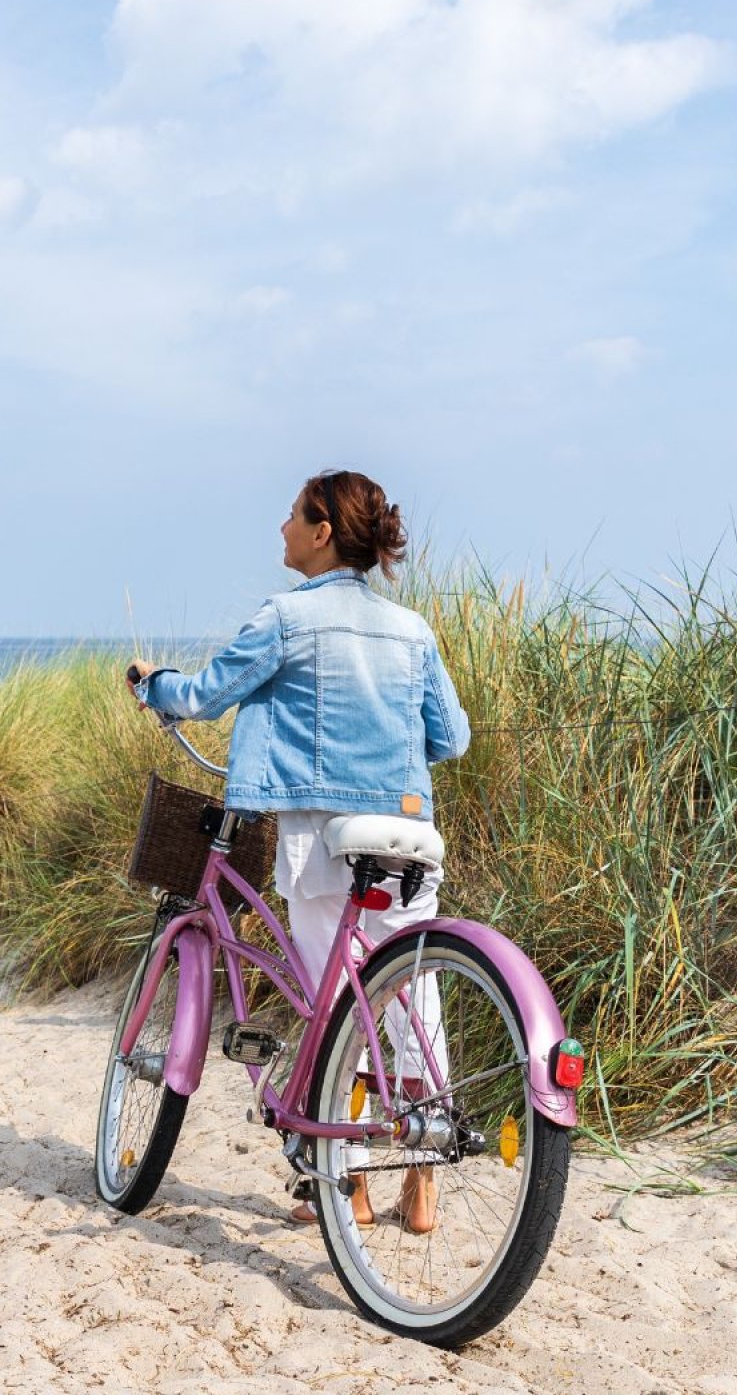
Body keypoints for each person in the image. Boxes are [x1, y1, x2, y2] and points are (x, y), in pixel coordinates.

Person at [126, 469, 471, 1233]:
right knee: (412, 992)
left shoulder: (285, 618)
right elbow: (451, 736)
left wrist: (153, 684)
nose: (281, 528)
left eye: (291, 517)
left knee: (334, 1000)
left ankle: (339, 1181)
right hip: (409, 833)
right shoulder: (413, 630)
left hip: (324, 837)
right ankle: (422, 1177)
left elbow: (207, 695)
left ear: (322, 534)